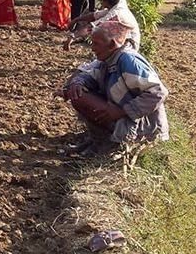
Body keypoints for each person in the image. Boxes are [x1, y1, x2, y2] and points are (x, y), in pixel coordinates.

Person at [60, 20, 168, 157]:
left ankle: (113, 144)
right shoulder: (109, 59)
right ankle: (99, 141)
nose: (92, 48)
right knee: (78, 94)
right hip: (125, 116)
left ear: (112, 44)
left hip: (144, 127)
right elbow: (90, 75)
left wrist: (123, 111)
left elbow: (158, 92)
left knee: (81, 97)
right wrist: (77, 83)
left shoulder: (128, 60)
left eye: (96, 44)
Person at [66, 0, 142, 50]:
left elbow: (90, 28)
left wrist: (72, 36)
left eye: (102, 0)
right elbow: (95, 15)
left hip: (129, 46)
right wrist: (76, 20)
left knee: (99, 33)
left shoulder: (114, 15)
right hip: (122, 40)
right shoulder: (117, 3)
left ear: (106, 2)